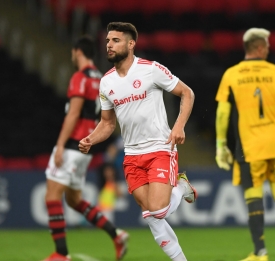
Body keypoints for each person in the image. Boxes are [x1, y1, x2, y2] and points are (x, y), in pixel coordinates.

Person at [78, 22, 197, 261]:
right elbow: (108, 123)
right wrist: (91, 138)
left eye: (116, 40)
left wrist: (179, 125)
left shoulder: (151, 70)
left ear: (131, 44)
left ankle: (181, 187)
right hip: (132, 156)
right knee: (152, 216)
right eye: (108, 41)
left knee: (159, 209)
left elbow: (187, 93)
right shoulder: (106, 82)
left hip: (160, 148)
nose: (109, 45)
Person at [215, 27, 275, 261]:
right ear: (259, 48)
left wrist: (221, 145)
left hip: (251, 146)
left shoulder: (232, 74)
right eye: (267, 45)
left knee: (253, 195)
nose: (269, 49)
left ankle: (260, 252)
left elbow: (222, 113)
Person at [43, 36, 128, 261]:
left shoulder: (79, 77)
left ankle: (61, 254)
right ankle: (116, 234)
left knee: (52, 197)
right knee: (74, 200)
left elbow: (73, 113)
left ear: (78, 52)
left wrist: (60, 145)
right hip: (86, 148)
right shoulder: (101, 78)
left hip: (72, 145)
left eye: (73, 53)